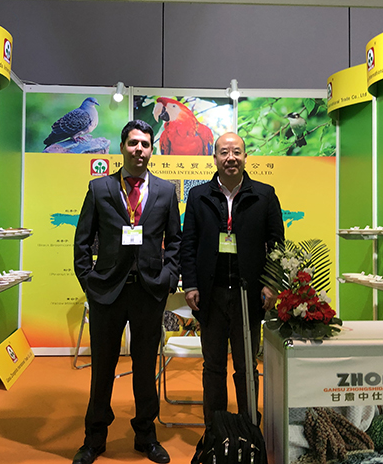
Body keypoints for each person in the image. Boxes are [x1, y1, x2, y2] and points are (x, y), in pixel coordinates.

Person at [73, 120, 181, 464]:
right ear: (122, 147)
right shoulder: (99, 188)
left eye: (145, 144)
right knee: (102, 368)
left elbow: (175, 242)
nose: (139, 150)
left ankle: (146, 435)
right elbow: (82, 241)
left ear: (152, 150)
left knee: (146, 367)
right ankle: (94, 438)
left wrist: (168, 277)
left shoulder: (165, 191)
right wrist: (89, 282)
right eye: (133, 143)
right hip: (107, 292)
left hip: (149, 292)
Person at [181, 131, 284, 425]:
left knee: (246, 366)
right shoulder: (198, 196)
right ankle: (216, 427)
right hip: (210, 294)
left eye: (236, 152)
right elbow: (189, 244)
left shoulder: (264, 195)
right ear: (214, 158)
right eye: (224, 152)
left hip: (248, 295)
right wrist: (190, 284)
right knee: (213, 366)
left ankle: (248, 426)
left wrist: (271, 283)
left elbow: (277, 244)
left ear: (245, 157)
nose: (231, 158)